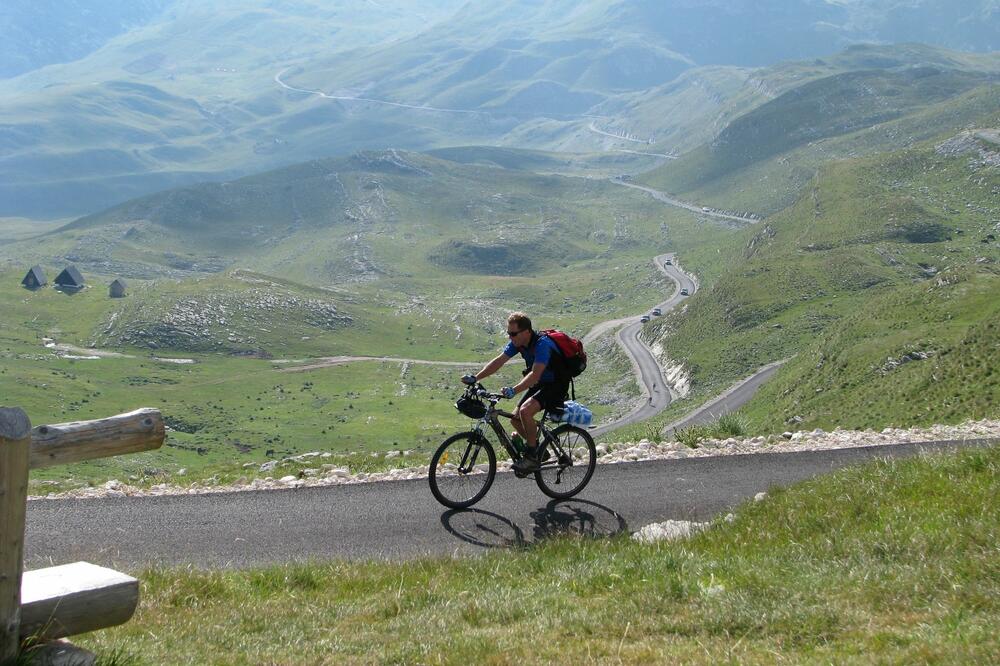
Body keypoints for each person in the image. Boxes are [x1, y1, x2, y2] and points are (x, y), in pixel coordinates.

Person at [461, 312, 569, 473]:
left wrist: (514, 390)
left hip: (556, 384)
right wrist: (476, 377)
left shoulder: (542, 344)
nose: (510, 337)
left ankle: (531, 458)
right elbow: (499, 361)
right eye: (508, 333)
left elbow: (535, 374)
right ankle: (539, 451)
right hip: (540, 383)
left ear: (526, 332)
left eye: (513, 333)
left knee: (525, 412)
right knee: (515, 419)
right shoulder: (518, 343)